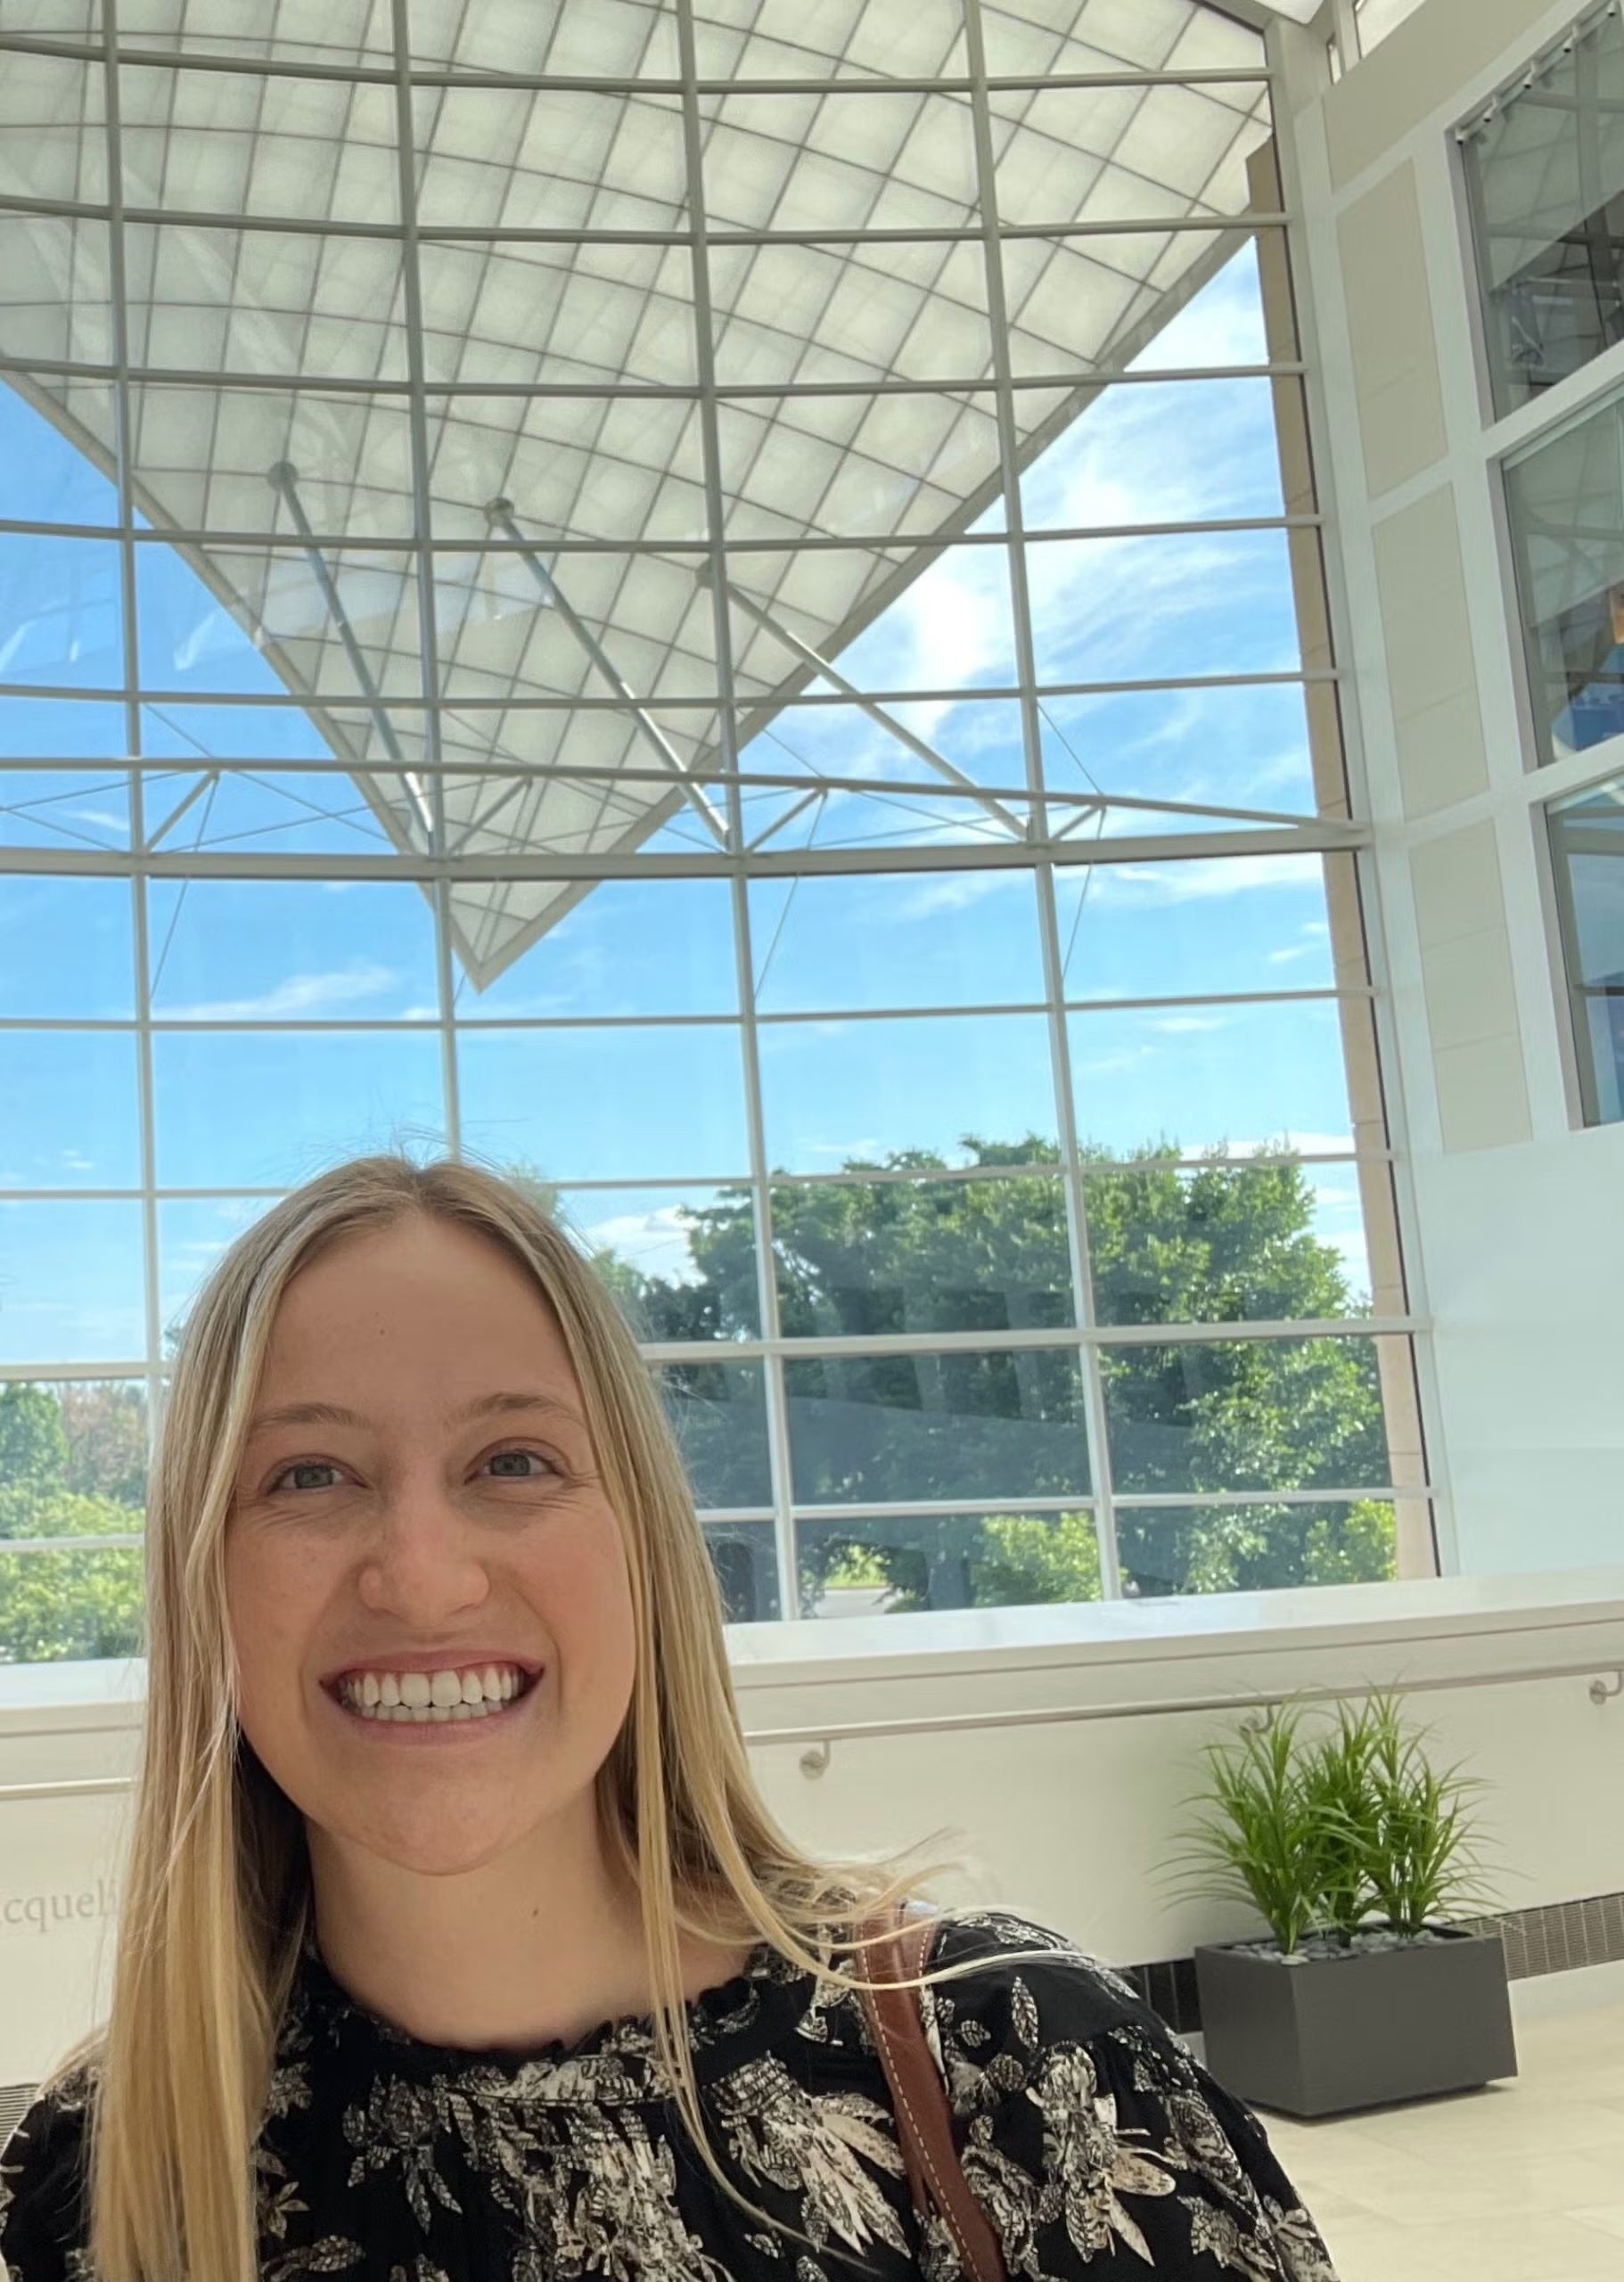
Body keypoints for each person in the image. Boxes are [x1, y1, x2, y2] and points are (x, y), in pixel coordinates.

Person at [0, 1156, 1338, 2282]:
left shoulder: (1025, 2069)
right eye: (308, 1473)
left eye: (512, 1461)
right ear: (202, 1581)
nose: (422, 1573)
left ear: (641, 1541)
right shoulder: (98, 2180)